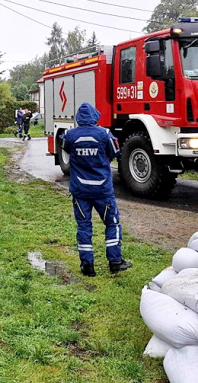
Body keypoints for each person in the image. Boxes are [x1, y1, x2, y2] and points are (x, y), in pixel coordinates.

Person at [61, 102, 131, 277]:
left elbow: (66, 150)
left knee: (84, 226)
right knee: (112, 223)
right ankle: (115, 262)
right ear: (95, 116)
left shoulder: (69, 135)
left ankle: (87, 266)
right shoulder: (104, 134)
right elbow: (116, 152)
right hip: (102, 191)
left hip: (80, 192)